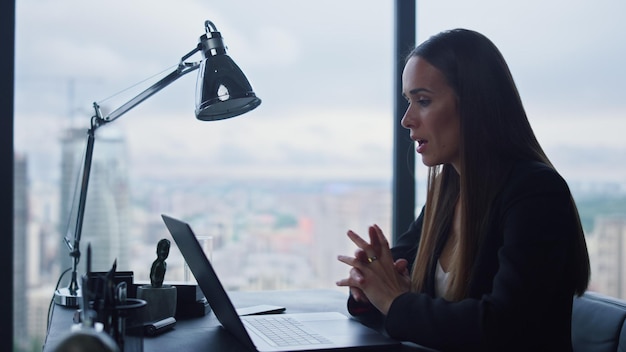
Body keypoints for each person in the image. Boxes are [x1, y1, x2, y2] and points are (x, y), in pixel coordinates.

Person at [336, 28, 590, 351]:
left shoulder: (535, 193)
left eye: (423, 101)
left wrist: (394, 301)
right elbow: (395, 299)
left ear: (474, 104)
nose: (407, 119)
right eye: (408, 101)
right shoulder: (447, 191)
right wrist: (368, 288)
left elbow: (502, 326)